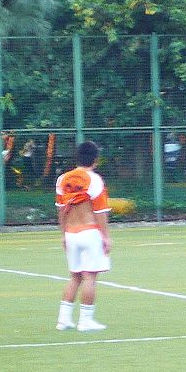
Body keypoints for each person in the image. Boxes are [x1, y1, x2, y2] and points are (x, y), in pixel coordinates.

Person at [54, 141, 112, 332]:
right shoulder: (94, 180)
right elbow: (100, 212)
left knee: (74, 277)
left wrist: (63, 234)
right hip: (90, 232)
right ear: (95, 160)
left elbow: (61, 210)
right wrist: (106, 237)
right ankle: (86, 321)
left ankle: (63, 320)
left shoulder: (62, 179)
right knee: (89, 277)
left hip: (71, 233)